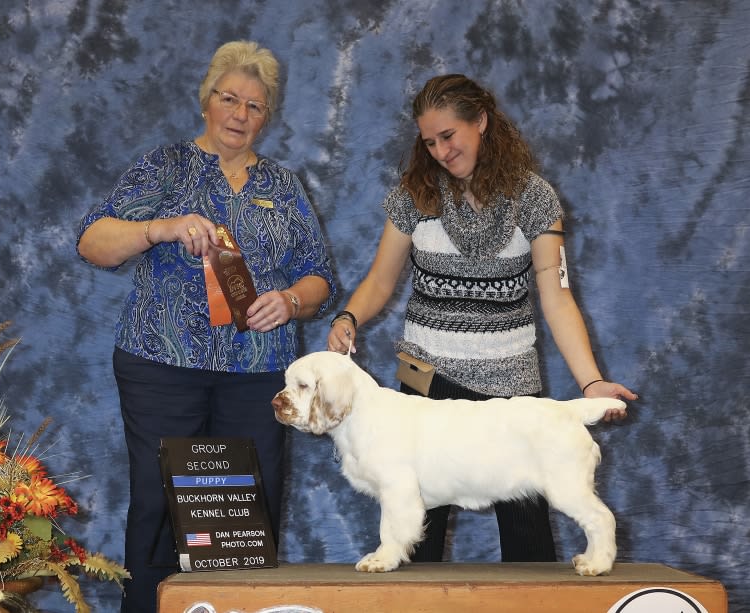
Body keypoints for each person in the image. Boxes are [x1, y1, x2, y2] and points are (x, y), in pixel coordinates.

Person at [327, 74, 637, 565]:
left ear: (482, 121)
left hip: (510, 394)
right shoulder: (415, 194)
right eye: (429, 143)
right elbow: (380, 281)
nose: (441, 152)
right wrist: (349, 315)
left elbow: (557, 299)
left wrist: (591, 382)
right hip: (426, 389)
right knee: (414, 548)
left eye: (448, 136)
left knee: (529, 547)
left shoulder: (534, 198)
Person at [77, 41, 335, 613]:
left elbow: (319, 277)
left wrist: (291, 301)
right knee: (158, 503)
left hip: (258, 372)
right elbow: (92, 241)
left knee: (242, 516)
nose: (241, 115)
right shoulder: (163, 167)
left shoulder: (284, 187)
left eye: (255, 106)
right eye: (230, 99)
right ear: (206, 102)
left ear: (268, 116)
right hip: (161, 368)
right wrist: (159, 229)